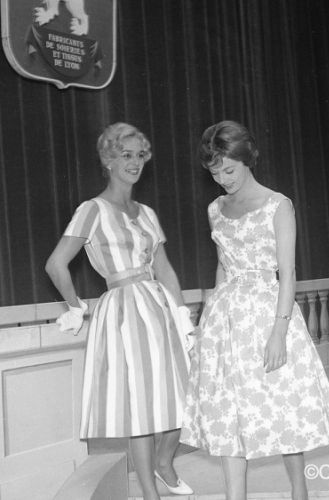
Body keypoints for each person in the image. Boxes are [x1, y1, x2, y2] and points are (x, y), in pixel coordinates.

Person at [180, 121, 329, 500]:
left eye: (229, 170)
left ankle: (299, 490)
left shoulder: (278, 204)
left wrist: (279, 332)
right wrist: (208, 323)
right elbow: (222, 266)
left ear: (247, 158)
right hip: (226, 318)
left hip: (268, 311)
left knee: (282, 404)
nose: (222, 179)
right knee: (229, 412)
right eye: (215, 173)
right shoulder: (215, 209)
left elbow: (288, 272)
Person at [45, 122, 194, 500]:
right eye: (126, 155)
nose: (135, 162)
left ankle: (164, 462)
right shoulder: (91, 210)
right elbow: (56, 264)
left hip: (159, 306)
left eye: (140, 155)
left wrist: (181, 314)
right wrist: (75, 307)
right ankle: (149, 492)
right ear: (108, 160)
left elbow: (165, 269)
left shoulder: (147, 213)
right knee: (140, 405)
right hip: (124, 311)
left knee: (184, 392)